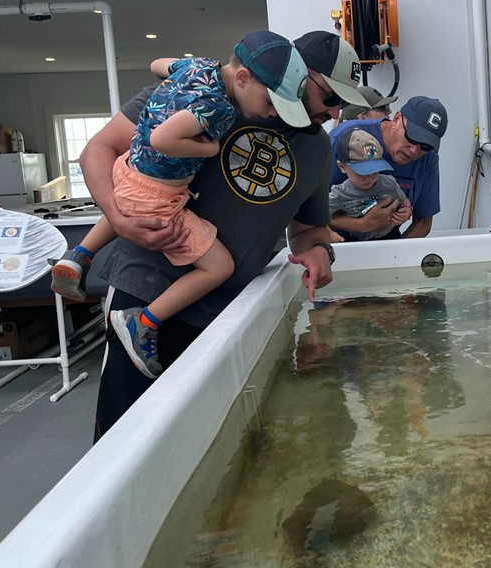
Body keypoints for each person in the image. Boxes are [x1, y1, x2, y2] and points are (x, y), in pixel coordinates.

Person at [80, 30, 369, 441]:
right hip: (145, 290)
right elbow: (99, 149)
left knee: (207, 438)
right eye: (330, 98)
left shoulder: (317, 149)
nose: (336, 113)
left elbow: (307, 227)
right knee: (126, 433)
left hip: (228, 315)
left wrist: (319, 250)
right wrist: (117, 216)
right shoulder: (192, 96)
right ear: (299, 77)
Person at [51, 29, 309, 379]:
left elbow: (158, 64)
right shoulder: (218, 108)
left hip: (129, 171)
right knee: (218, 266)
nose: (269, 113)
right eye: (269, 103)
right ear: (244, 78)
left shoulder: (197, 66)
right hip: (160, 195)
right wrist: (209, 148)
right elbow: (163, 138)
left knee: (130, 202)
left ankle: (80, 255)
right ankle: (142, 321)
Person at [327, 96, 447, 240]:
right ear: (396, 119)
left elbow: (423, 221)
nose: (414, 151)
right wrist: (362, 224)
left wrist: (394, 255)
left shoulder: (428, 157)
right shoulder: (344, 140)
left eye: (425, 146)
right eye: (411, 137)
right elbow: (308, 215)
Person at [328, 128, 409, 241]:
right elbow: (318, 216)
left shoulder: (389, 182)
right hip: (356, 239)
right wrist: (328, 234)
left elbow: (404, 199)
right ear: (342, 167)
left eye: (374, 171)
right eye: (362, 172)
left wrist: (406, 209)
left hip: (390, 234)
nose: (369, 178)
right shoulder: (339, 194)